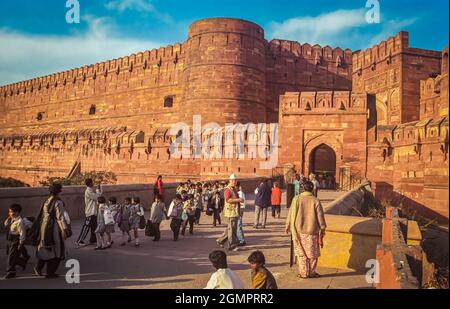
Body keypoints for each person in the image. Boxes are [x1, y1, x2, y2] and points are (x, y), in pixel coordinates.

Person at [285, 181, 327, 279]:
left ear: (303, 189)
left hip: (299, 231)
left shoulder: (296, 199)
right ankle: (311, 272)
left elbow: (291, 213)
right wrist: (323, 227)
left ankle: (303, 273)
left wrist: (287, 225)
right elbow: (320, 216)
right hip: (312, 232)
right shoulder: (315, 200)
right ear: (312, 189)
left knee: (301, 254)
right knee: (312, 254)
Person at [33, 183, 71, 278]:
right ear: (59, 191)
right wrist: (65, 230)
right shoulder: (58, 202)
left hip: (44, 227)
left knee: (45, 248)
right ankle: (50, 272)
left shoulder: (47, 201)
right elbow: (60, 217)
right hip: (53, 228)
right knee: (57, 249)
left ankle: (39, 267)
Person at [216, 174, 243, 252]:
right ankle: (231, 245)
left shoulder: (233, 189)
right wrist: (238, 200)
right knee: (232, 229)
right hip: (230, 212)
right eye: (233, 180)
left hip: (234, 211)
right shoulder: (228, 190)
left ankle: (221, 240)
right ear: (230, 181)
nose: (234, 182)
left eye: (235, 180)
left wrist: (239, 200)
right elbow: (228, 200)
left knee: (231, 228)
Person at [3, 204, 30, 279]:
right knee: (10, 255)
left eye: (11, 212)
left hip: (16, 240)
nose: (10, 213)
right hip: (10, 240)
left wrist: (20, 244)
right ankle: (22, 261)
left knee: (11, 257)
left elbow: (22, 233)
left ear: (17, 212)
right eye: (9, 212)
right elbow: (5, 224)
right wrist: (10, 217)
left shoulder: (20, 221)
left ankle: (11, 271)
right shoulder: (13, 219)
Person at [76, 178, 102, 246]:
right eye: (92, 182)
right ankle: (79, 241)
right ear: (90, 183)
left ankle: (92, 240)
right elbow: (97, 197)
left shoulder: (91, 190)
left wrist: (98, 190)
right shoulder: (88, 191)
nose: (93, 183)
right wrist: (98, 190)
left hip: (93, 212)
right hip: (90, 212)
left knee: (94, 227)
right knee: (86, 227)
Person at [236, 182, 246, 246]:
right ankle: (241, 239)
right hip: (240, 209)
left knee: (238, 225)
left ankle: (241, 240)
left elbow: (240, 202)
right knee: (238, 225)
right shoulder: (240, 193)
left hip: (239, 209)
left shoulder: (239, 193)